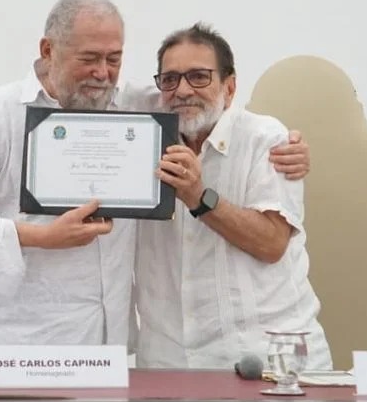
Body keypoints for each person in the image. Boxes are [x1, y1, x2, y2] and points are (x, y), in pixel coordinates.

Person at [0, 0, 308, 348]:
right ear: (48, 50)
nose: (103, 73)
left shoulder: (134, 107)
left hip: (104, 341)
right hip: (13, 334)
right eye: (89, 58)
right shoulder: (1, 111)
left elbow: (197, 103)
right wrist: (40, 235)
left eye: (114, 59)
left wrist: (283, 143)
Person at [132, 23, 331, 370]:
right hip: (169, 364)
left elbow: (272, 243)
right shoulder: (138, 134)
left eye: (198, 77)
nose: (182, 90)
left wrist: (198, 197)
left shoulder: (267, 140)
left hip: (268, 360)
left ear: (230, 86)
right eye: (170, 79)